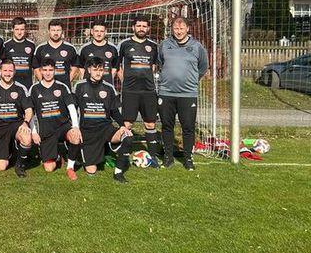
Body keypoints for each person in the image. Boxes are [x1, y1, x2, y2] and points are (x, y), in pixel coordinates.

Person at [157, 16, 209, 171]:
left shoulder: (197, 47)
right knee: (167, 126)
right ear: (172, 29)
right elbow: (160, 64)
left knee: (188, 127)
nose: (178, 31)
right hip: (166, 93)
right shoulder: (164, 45)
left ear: (187, 29)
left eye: (181, 28)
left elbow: (203, 67)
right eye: (175, 28)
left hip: (188, 94)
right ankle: (168, 157)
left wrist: (190, 80)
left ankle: (188, 158)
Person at [71, 56, 133, 184]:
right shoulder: (80, 86)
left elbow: (114, 111)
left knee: (127, 136)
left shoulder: (109, 87)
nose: (98, 73)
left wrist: (123, 126)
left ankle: (118, 173)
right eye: (95, 70)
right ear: (89, 70)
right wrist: (75, 127)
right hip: (87, 131)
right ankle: (83, 154)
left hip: (105, 128)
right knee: (91, 171)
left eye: (101, 70)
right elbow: (73, 109)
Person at [118, 16, 161, 166]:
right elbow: (118, 67)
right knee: (127, 124)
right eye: (139, 26)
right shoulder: (124, 44)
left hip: (148, 91)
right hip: (130, 91)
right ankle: (123, 157)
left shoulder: (153, 46)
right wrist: (125, 82)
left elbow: (153, 66)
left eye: (144, 26)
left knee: (150, 124)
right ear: (133, 28)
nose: (141, 28)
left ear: (148, 28)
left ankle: (153, 158)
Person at [28, 58, 79, 180]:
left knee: (75, 136)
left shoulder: (62, 87)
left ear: (55, 70)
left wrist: (76, 127)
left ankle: (70, 167)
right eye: (45, 70)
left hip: (63, 126)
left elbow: (72, 108)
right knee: (49, 168)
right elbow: (30, 113)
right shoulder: (34, 89)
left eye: (50, 70)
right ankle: (58, 156)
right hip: (46, 131)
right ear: (40, 71)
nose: (48, 73)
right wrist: (34, 132)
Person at [0, 60, 33, 177]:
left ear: (14, 72)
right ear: (0, 71)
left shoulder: (21, 88)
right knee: (1, 167)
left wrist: (26, 123)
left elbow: (29, 110)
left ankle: (20, 165)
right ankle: (11, 150)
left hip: (16, 125)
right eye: (5, 70)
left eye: (10, 71)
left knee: (26, 137)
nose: (7, 73)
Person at [33, 19, 79, 88]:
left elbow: (75, 67)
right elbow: (36, 69)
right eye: (53, 30)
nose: (56, 33)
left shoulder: (70, 48)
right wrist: (44, 83)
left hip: (64, 87)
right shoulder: (40, 48)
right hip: (46, 88)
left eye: (58, 30)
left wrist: (66, 83)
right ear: (49, 31)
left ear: (62, 31)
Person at [77, 20, 119, 85]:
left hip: (106, 86)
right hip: (89, 86)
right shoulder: (84, 48)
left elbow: (115, 67)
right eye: (96, 31)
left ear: (105, 32)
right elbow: (81, 67)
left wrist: (109, 80)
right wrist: (86, 80)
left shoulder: (113, 48)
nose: (99, 34)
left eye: (101, 31)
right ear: (92, 32)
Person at [3, 16, 36, 88]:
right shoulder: (6, 45)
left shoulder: (31, 45)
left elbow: (36, 67)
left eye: (22, 29)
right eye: (17, 29)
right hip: (10, 85)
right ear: (12, 29)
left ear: (25, 30)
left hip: (27, 85)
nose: (19, 32)